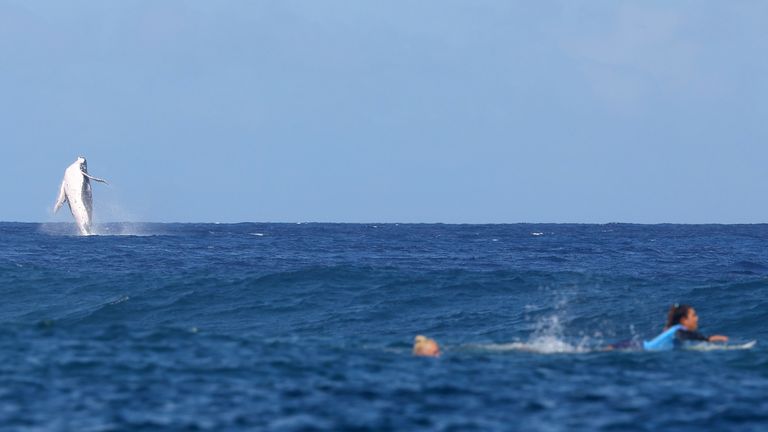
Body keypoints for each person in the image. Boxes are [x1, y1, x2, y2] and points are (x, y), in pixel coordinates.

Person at [642, 304, 728, 351]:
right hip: (639, 347)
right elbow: (683, 335)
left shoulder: (675, 328)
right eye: (693, 315)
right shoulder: (679, 329)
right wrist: (707, 339)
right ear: (684, 320)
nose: (697, 318)